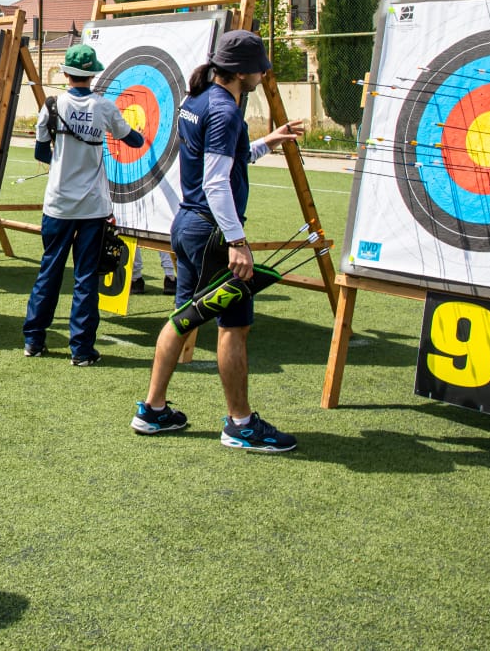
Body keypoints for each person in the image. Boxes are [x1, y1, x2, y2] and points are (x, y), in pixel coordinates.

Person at [131, 30, 304, 452]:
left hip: (188, 225)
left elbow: (222, 161)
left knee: (183, 318)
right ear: (242, 72)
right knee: (234, 326)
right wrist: (237, 242)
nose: (264, 74)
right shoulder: (226, 111)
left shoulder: (197, 100)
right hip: (212, 232)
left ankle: (152, 410)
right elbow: (216, 182)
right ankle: (240, 424)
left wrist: (266, 142)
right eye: (260, 68)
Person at [22, 45, 145, 365]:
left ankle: (34, 340)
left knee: (49, 271)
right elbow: (134, 141)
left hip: (58, 205)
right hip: (92, 207)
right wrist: (138, 133)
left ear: (65, 73)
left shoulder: (52, 105)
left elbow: (40, 152)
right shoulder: (103, 107)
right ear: (93, 74)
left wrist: (62, 160)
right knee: (86, 277)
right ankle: (81, 350)